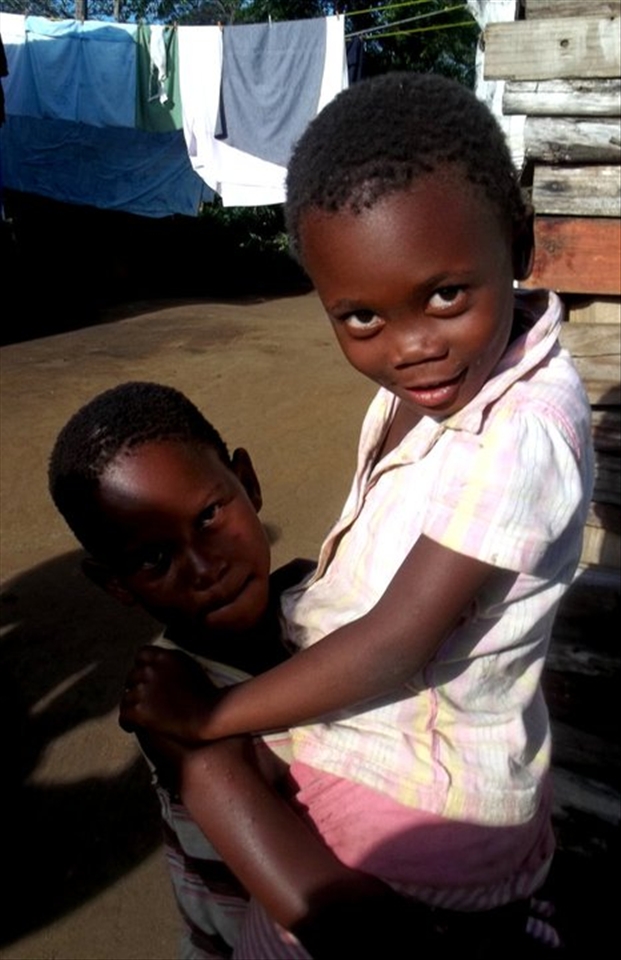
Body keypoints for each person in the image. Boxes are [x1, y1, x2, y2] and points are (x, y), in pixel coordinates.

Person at [120, 72, 594, 951]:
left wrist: (212, 718)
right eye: (361, 317)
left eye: (444, 295)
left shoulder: (520, 433)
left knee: (207, 767)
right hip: (401, 748)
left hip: (420, 794)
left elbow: (396, 642)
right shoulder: (445, 381)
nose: (411, 347)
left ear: (520, 243)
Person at [48, 380, 437, 960]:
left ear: (248, 483)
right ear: (116, 585)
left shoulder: (325, 599)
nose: (204, 568)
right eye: (153, 558)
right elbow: (337, 925)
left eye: (208, 516)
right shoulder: (171, 704)